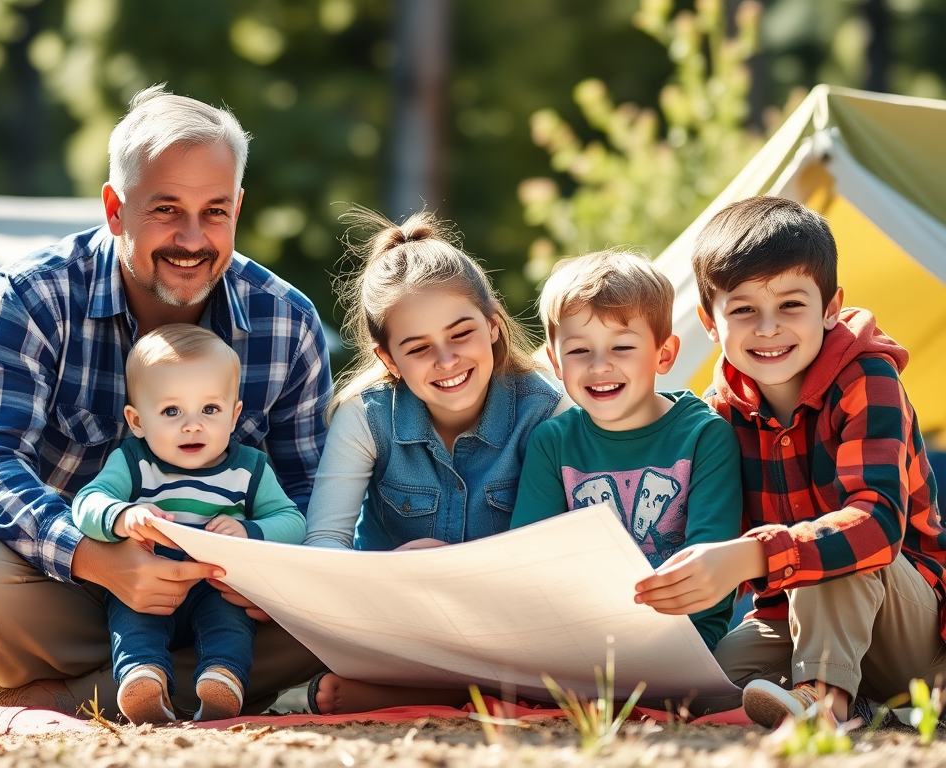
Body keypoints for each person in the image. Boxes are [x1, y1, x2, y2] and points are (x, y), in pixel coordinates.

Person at [0, 85, 331, 719]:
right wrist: (98, 559)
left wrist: (262, 563)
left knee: (334, 606)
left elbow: (311, 492)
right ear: (115, 208)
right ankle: (145, 684)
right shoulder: (33, 296)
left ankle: (65, 700)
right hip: (65, 587)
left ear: (239, 208)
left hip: (220, 599)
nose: (192, 238)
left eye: (215, 211)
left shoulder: (287, 321)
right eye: (166, 208)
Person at [633, 196, 946, 726]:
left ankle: (827, 708)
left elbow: (877, 525)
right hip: (790, 617)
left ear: (829, 306)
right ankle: (865, 710)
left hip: (908, 628)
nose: (769, 327)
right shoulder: (717, 419)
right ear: (711, 321)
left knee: (837, 549)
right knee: (695, 691)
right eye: (744, 310)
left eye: (791, 305)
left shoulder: (867, 379)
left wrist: (752, 557)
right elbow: (705, 534)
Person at [301, 206, 571, 713]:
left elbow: (560, 558)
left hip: (512, 622)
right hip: (397, 624)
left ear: (492, 325)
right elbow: (326, 548)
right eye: (418, 348)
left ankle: (431, 693)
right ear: (388, 360)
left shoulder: (548, 410)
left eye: (462, 333)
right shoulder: (364, 418)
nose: (447, 361)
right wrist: (396, 576)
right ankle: (446, 687)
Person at [72, 324, 307, 723]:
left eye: (210, 409)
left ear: (234, 415)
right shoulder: (132, 462)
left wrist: (250, 530)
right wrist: (123, 516)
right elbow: (86, 503)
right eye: (171, 411)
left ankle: (222, 680)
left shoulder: (249, 469)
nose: (192, 424)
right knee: (132, 620)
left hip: (217, 584)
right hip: (146, 580)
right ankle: (142, 680)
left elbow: (292, 521)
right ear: (137, 421)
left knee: (231, 621)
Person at [508, 250, 742, 652]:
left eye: (622, 348)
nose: (599, 366)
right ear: (556, 362)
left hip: (687, 640)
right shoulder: (552, 443)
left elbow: (709, 573)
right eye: (579, 351)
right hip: (581, 637)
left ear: (664, 353)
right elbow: (531, 561)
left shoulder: (706, 436)